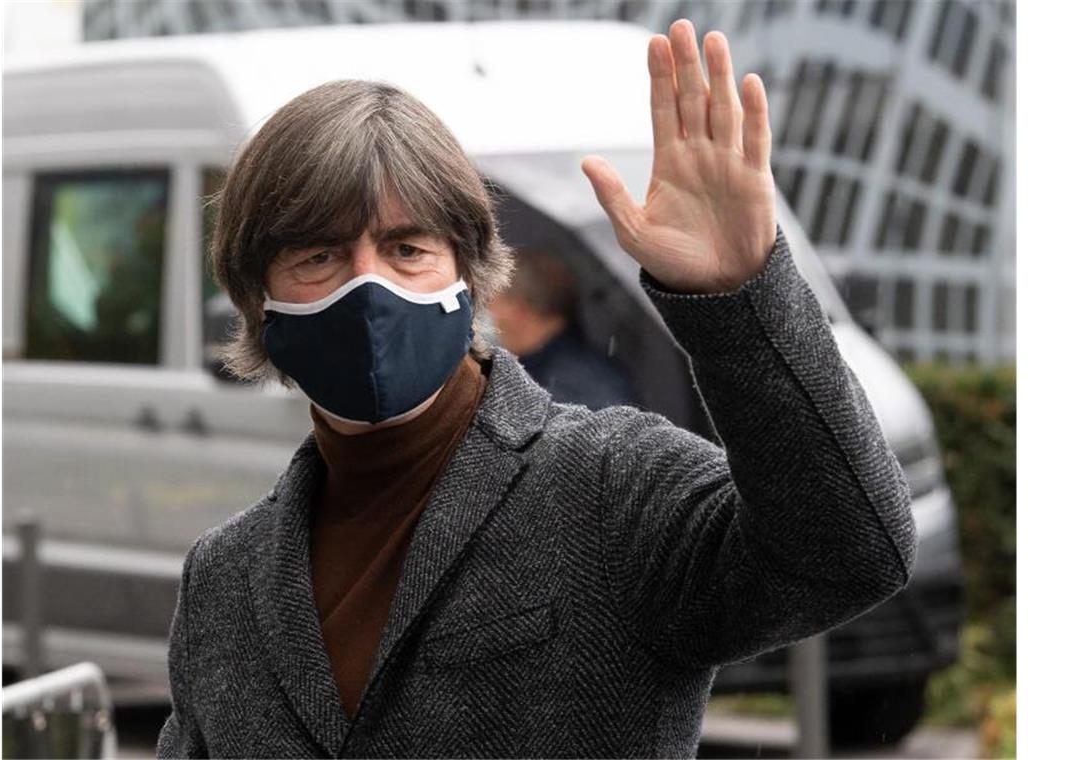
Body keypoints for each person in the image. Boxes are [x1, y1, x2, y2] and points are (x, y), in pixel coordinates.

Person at [158, 20, 917, 758]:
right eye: (320, 255)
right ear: (259, 299)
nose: (369, 287)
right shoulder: (224, 579)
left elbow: (849, 553)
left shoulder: (610, 487)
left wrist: (740, 300)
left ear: (470, 272)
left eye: (407, 248)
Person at [488, 248, 640, 410]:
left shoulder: (582, 386)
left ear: (520, 310)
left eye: (490, 303)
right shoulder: (532, 371)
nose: (485, 312)